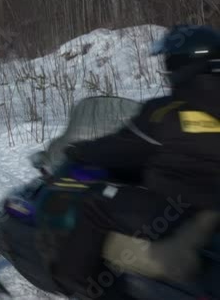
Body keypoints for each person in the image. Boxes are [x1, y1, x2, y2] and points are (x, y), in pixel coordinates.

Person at [52, 24, 220, 299]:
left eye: (169, 62)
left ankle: (74, 283)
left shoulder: (166, 112)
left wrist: (79, 151)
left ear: (181, 65)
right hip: (210, 213)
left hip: (176, 212)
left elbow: (120, 147)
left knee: (97, 200)